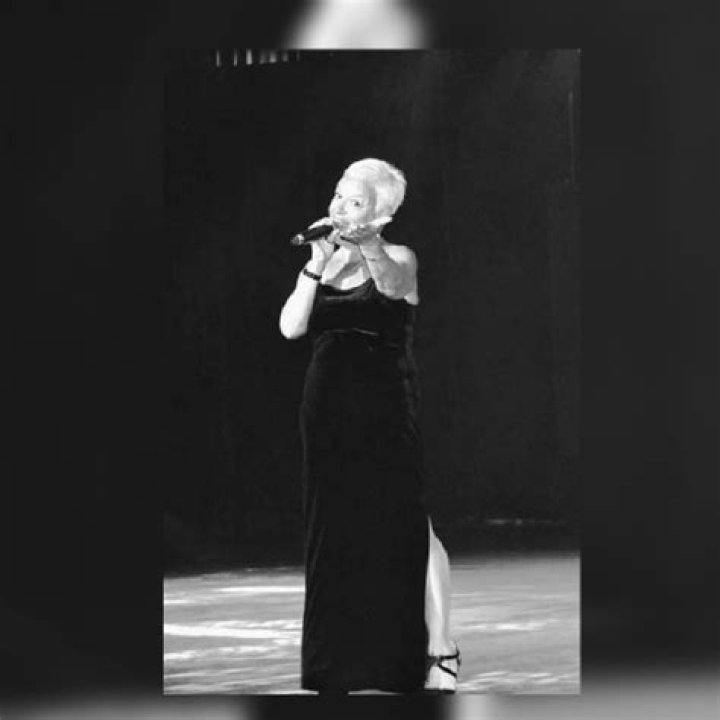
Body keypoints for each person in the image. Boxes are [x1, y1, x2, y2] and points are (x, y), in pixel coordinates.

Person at [279, 158, 460, 694]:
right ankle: (343, 662)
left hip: (385, 409)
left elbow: (393, 285)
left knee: (409, 526)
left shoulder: (399, 256)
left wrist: (367, 246)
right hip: (326, 412)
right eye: (338, 194)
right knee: (335, 531)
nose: (339, 206)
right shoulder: (324, 260)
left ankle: (440, 648)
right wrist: (315, 266)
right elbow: (291, 327)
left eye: (355, 201)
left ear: (381, 215)